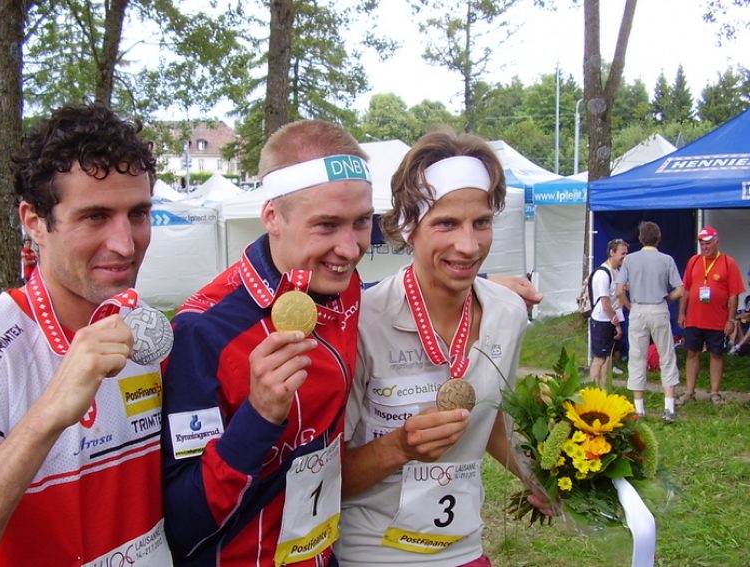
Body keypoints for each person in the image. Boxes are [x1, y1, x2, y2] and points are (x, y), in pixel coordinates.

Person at [159, 121, 542, 566]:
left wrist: (479, 281)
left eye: (361, 223)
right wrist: (258, 418)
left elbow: (403, 291)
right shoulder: (202, 332)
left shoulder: (345, 295)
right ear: (271, 217)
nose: (349, 248)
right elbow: (182, 523)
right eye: (326, 225)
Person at [0, 104, 171, 566]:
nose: (126, 244)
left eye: (138, 214)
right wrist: (45, 417)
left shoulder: (140, 327)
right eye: (95, 217)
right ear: (35, 221)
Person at [337, 131, 549, 566]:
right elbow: (326, 476)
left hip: (463, 546)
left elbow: (490, 423)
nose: (469, 246)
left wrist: (543, 478)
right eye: (446, 223)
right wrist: (399, 447)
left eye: (482, 222)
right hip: (374, 553)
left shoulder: (507, 313)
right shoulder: (363, 322)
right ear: (409, 228)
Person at [616, 221, 684, 423]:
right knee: (666, 356)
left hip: (638, 309)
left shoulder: (630, 260)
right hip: (658, 308)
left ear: (640, 239)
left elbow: (619, 291)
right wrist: (667, 297)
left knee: (637, 357)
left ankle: (639, 409)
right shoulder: (667, 260)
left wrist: (629, 306)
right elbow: (680, 290)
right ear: (658, 239)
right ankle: (669, 408)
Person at [676, 226, 745, 405]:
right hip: (694, 317)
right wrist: (682, 312)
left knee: (716, 354)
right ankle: (689, 391)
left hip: (717, 319)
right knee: (692, 352)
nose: (704, 247)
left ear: (716, 242)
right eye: (701, 243)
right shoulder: (694, 261)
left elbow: (733, 294)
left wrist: (730, 319)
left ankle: (715, 393)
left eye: (707, 243)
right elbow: (687, 289)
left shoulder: (728, 263)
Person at [589, 238, 629, 388]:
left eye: (626, 253)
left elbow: (617, 298)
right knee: (599, 358)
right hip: (601, 320)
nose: (625, 257)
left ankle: (603, 389)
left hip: (609, 319)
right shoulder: (602, 274)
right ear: (612, 252)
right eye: (622, 253)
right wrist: (617, 324)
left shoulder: (617, 271)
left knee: (607, 358)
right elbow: (606, 304)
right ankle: (591, 390)